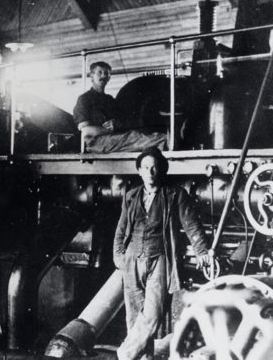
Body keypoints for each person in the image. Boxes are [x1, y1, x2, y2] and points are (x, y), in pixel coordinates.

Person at [113, 147, 210, 360]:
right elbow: (121, 229)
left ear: (162, 170)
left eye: (155, 167)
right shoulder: (131, 196)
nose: (150, 171)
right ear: (139, 171)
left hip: (159, 258)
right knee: (134, 314)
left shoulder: (176, 195)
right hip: (131, 259)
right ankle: (144, 358)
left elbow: (191, 224)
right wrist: (118, 256)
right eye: (146, 167)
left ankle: (125, 354)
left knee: (152, 315)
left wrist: (202, 250)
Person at [73, 62, 168, 153]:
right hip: (95, 143)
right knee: (133, 138)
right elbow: (86, 131)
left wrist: (118, 125)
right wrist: (110, 129)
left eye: (106, 73)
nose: (103, 76)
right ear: (91, 77)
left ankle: (167, 139)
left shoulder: (109, 100)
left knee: (136, 135)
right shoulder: (84, 99)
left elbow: (123, 121)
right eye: (100, 73)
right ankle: (169, 141)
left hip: (114, 138)